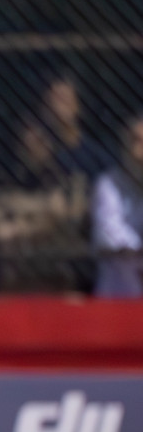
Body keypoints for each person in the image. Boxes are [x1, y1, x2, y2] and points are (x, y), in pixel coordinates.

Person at [0, 116, 89, 293]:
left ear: (50, 144)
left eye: (39, 141)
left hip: (58, 277)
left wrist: (19, 219)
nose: (33, 148)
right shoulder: (4, 181)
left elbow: (70, 219)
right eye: (27, 142)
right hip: (15, 281)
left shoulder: (69, 179)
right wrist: (46, 213)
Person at [92, 115, 143, 298]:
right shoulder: (108, 184)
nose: (139, 152)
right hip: (117, 297)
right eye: (135, 141)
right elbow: (109, 235)